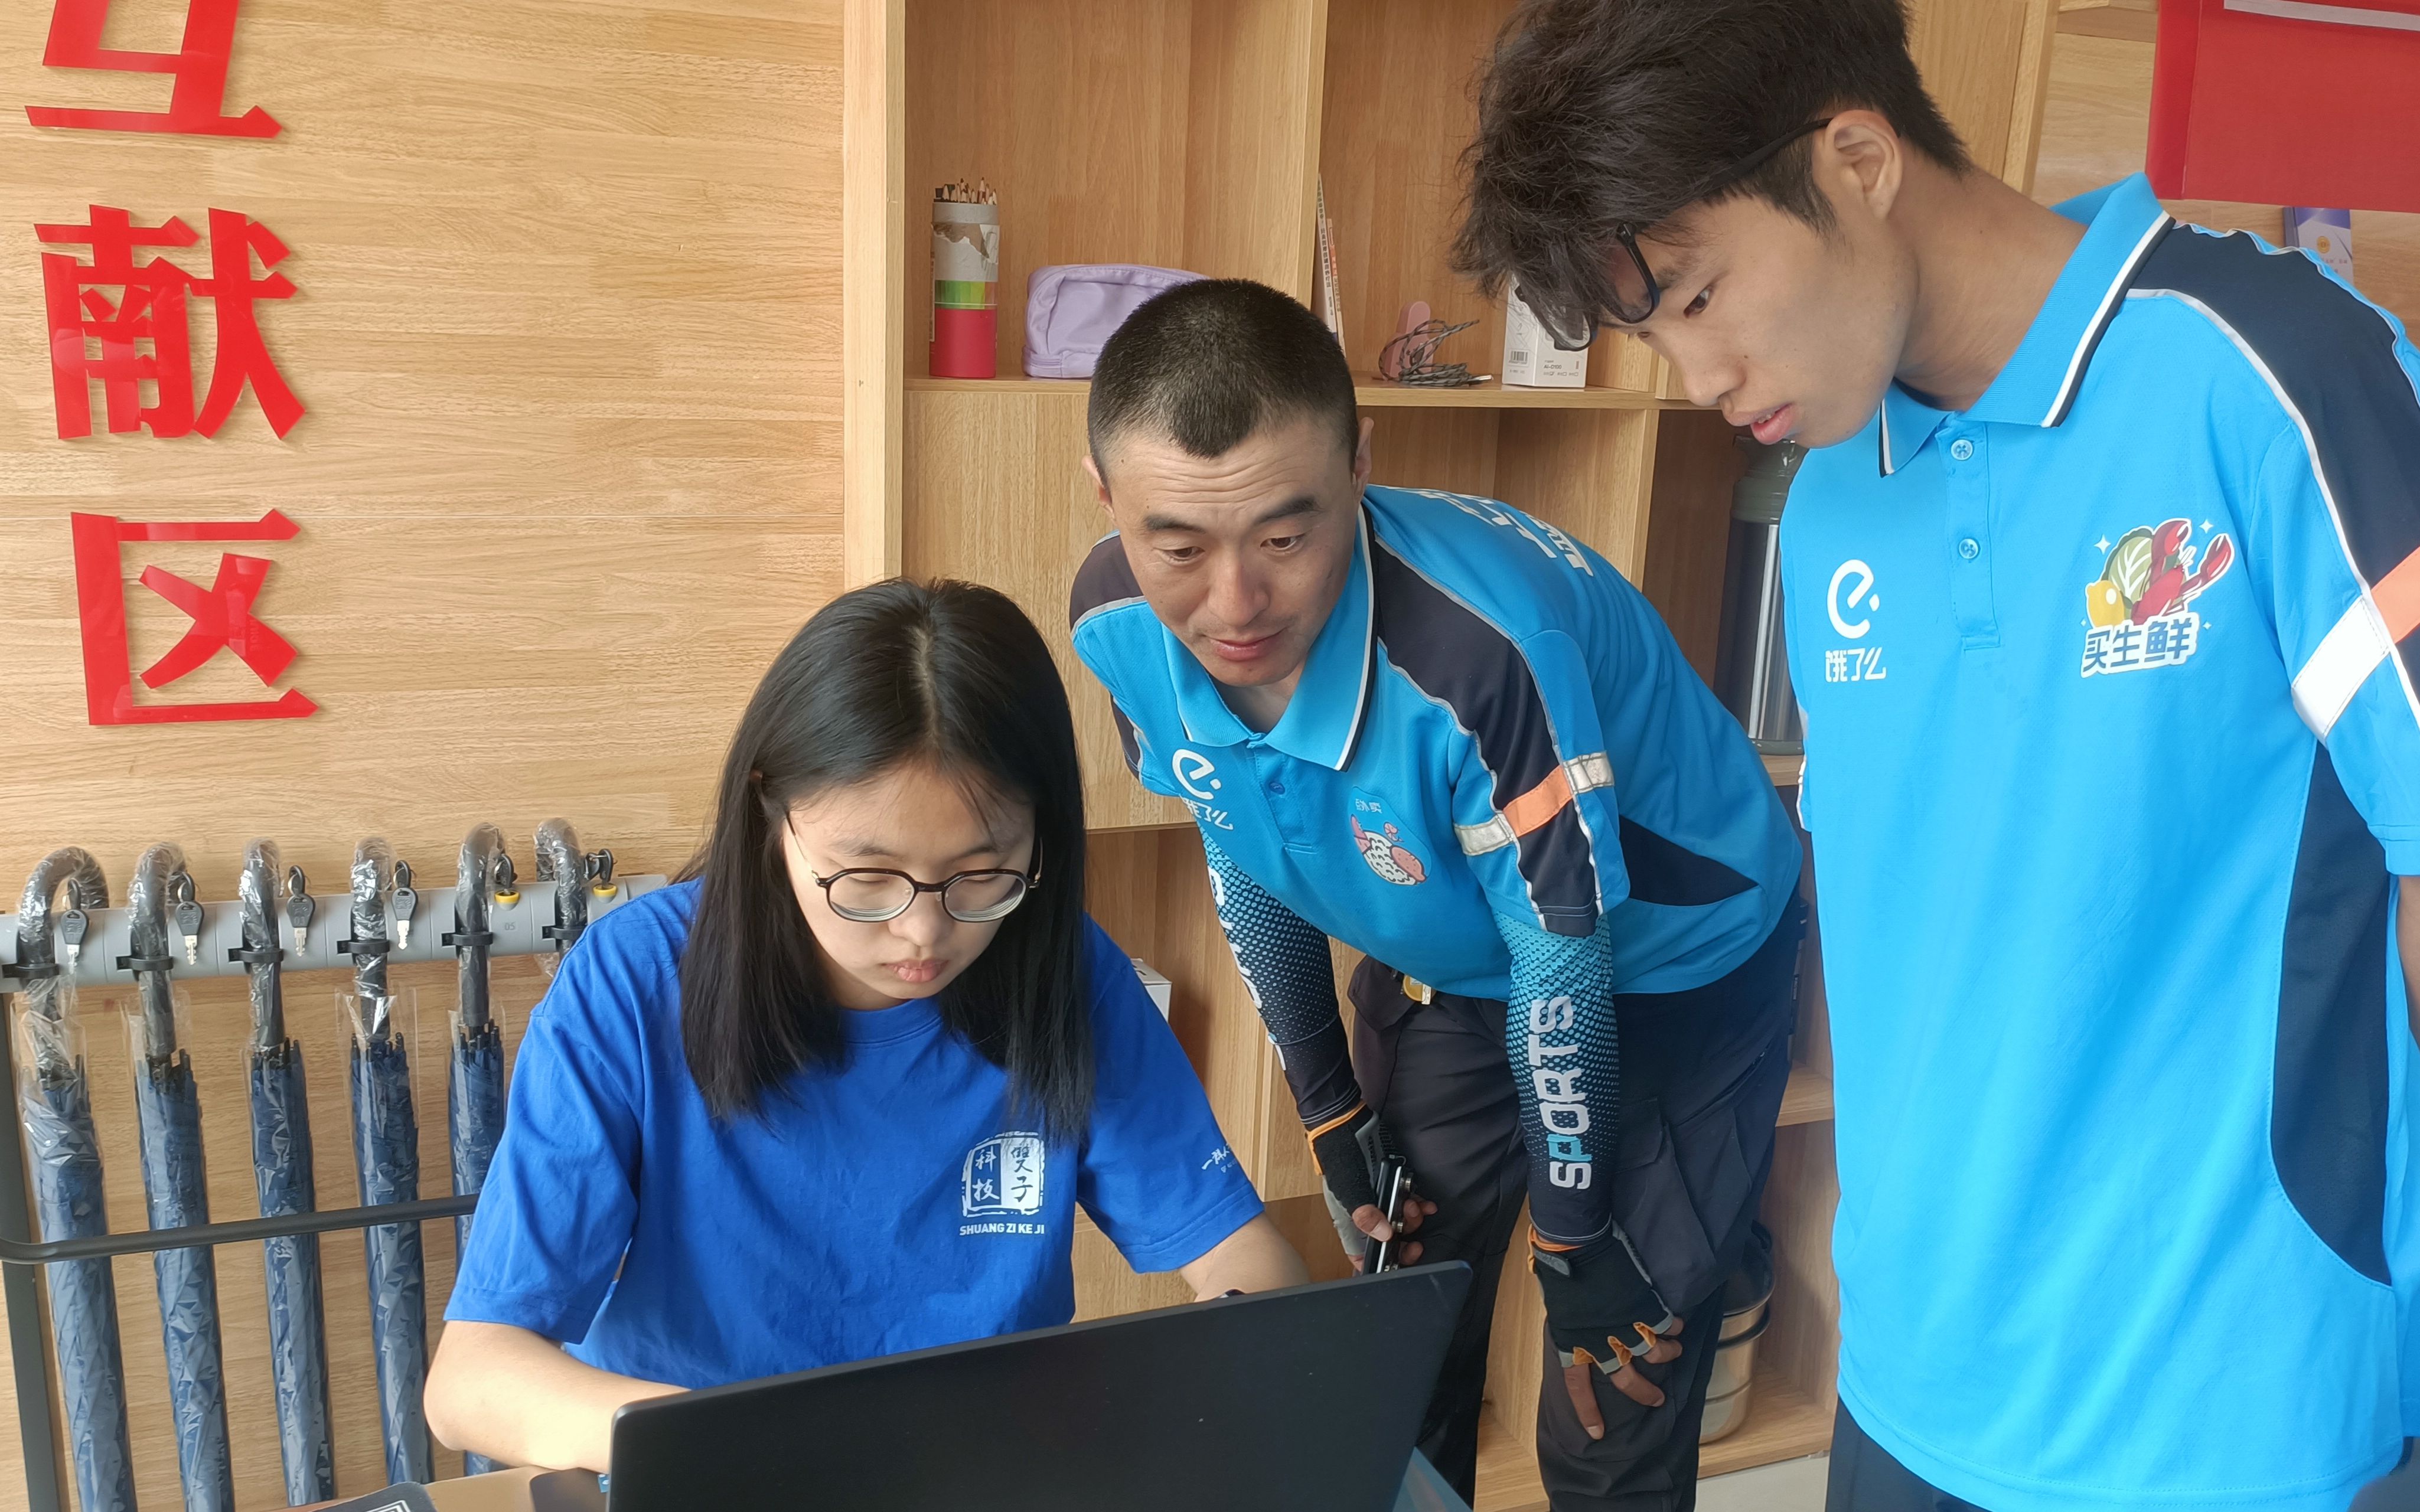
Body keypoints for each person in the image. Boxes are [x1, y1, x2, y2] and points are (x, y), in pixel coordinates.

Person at [1451, 2, 2420, 1510]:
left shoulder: (2275, 369)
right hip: (1912, 1388)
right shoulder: (1831, 493)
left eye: (1699, 295)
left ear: (1856, 159)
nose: (1696, 375)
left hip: (2225, 1409)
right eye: (1656, 332)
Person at [1068, 277, 1807, 1508]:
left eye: (1286, 538)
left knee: (1609, 1390)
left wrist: (1574, 1237)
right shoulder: (1116, 621)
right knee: (1402, 1341)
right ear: (1107, 499)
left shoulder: (1476, 651)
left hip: (1668, 964)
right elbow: (1244, 842)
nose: (1233, 605)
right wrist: (1329, 1114)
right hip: (1464, 958)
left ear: (1361, 463)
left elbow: (1565, 964)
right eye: (1179, 547)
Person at [424, 579, 1305, 1472]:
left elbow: (1245, 1261)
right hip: (711, 1480)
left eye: (982, 874)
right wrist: (747, 1453)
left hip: (985, 1474)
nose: (923, 933)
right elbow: (473, 1379)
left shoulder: (1064, 975)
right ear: (772, 808)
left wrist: (1225, 1379)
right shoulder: (635, 983)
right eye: (868, 878)